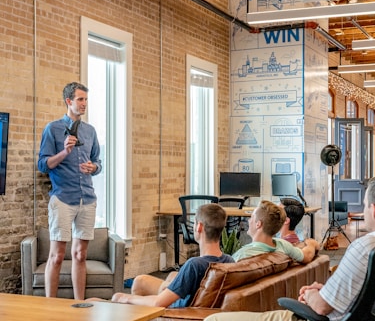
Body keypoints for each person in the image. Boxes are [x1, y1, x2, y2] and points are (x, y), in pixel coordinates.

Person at [201, 175, 375, 321]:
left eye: (365, 205)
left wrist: (311, 295)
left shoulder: (364, 247)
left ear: (374, 210)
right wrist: (328, 291)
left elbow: (321, 307)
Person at [38, 82, 102, 300]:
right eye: (80, 99)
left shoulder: (90, 131)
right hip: (63, 199)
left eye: (86, 99)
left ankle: (79, 305)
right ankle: (51, 306)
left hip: (87, 199)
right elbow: (43, 165)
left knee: (80, 254)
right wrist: (64, 152)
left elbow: (98, 163)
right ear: (69, 101)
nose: (84, 104)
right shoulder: (52, 129)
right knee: (57, 257)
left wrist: (94, 168)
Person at [110, 203, 234, 308]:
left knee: (122, 294)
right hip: (197, 305)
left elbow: (158, 303)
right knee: (142, 281)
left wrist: (124, 298)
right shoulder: (230, 261)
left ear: (199, 227)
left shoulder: (194, 265)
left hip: (178, 311)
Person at [232, 200, 319, 264]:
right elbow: (307, 256)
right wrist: (312, 243)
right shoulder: (284, 245)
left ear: (258, 224)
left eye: (251, 217)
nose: (248, 221)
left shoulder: (241, 256)